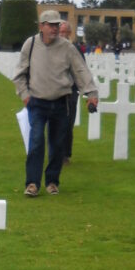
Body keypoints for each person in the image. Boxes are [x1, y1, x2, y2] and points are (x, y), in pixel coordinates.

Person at [12, 10, 99, 197]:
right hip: (37, 102)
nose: (55, 28)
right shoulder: (31, 44)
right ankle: (32, 184)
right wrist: (25, 95)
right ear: (41, 26)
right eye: (51, 25)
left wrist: (91, 93)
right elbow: (19, 74)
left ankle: (52, 181)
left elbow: (81, 71)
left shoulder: (67, 48)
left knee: (57, 145)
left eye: (57, 25)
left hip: (61, 102)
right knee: (36, 142)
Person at [58, 21, 85, 164]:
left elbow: (82, 70)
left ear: (69, 33)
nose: (62, 34)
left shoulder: (75, 49)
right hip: (54, 91)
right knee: (55, 123)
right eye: (60, 32)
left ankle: (65, 154)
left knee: (68, 123)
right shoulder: (53, 48)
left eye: (64, 32)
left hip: (71, 91)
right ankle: (55, 152)